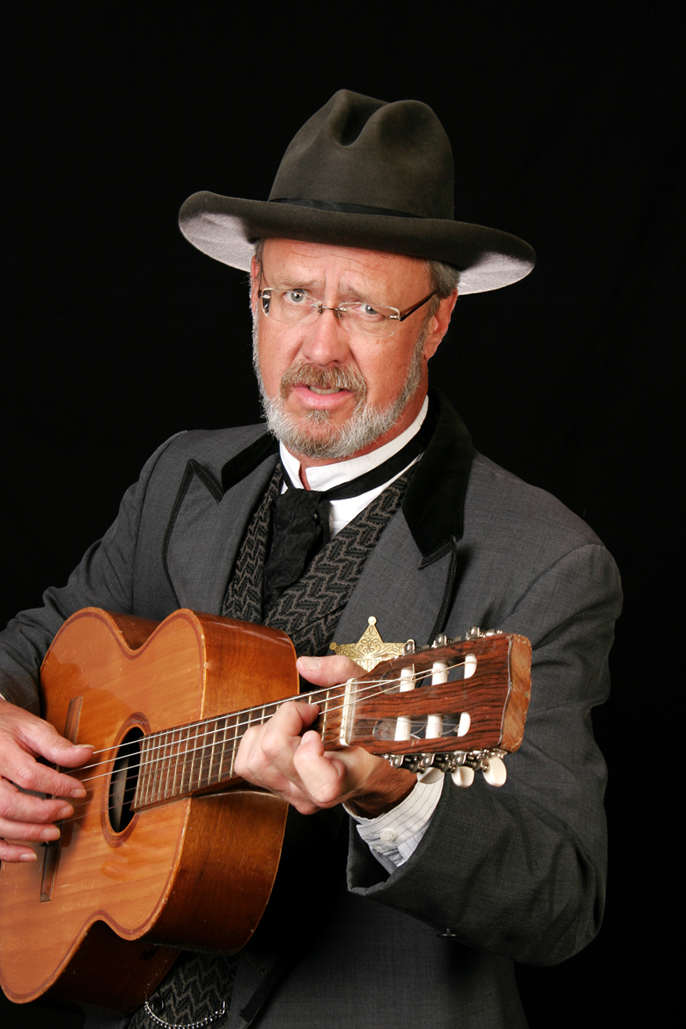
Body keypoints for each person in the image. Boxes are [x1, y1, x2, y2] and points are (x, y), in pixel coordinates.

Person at [0, 90, 621, 1028]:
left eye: (366, 307)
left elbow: (562, 900)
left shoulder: (548, 561)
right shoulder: (181, 475)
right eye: (295, 296)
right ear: (253, 288)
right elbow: (39, 639)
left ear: (438, 318)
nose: (318, 347)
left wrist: (390, 797)